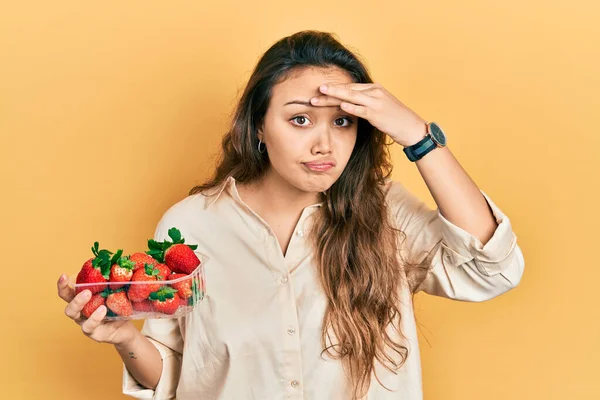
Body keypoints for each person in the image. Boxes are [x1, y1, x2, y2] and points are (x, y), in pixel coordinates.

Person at [57, 30, 525, 400]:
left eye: (342, 121)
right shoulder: (191, 225)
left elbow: (494, 269)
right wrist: (123, 337)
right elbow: (175, 374)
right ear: (259, 125)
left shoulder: (385, 211)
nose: (324, 144)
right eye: (300, 119)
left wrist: (419, 136)